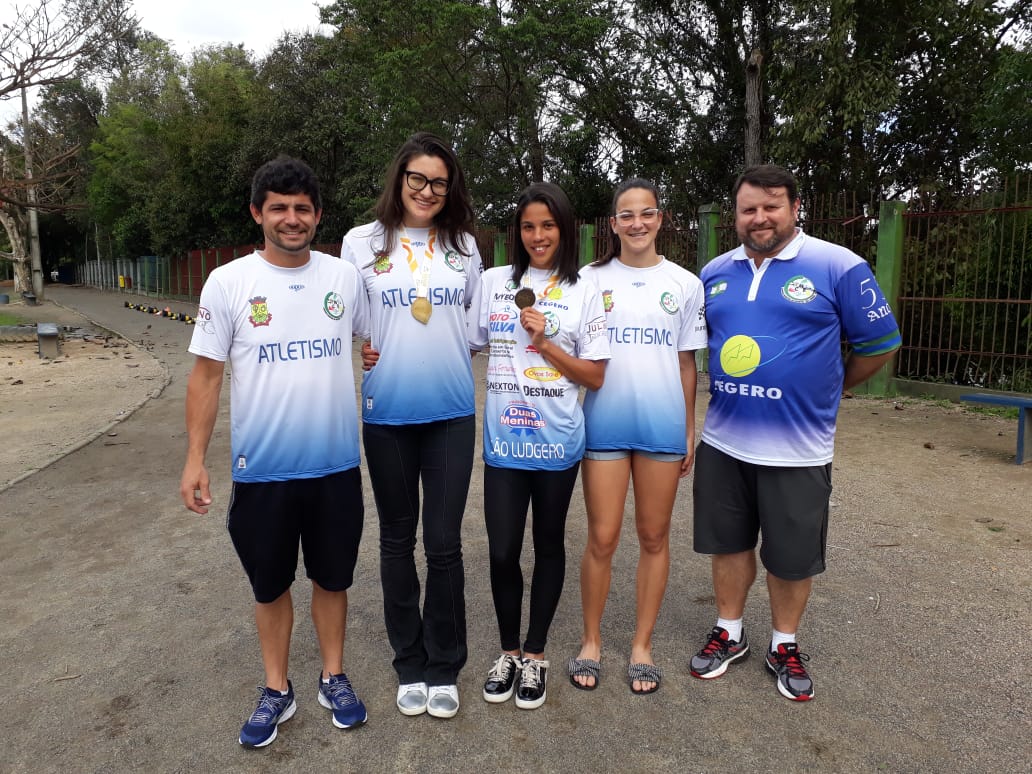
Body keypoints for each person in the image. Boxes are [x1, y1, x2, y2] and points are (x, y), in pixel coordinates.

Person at [689, 164, 902, 701]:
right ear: (736, 215)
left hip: (799, 447)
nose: (759, 218)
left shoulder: (838, 265)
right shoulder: (714, 272)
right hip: (724, 441)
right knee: (729, 544)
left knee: (790, 555)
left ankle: (784, 643)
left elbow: (880, 344)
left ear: (794, 207)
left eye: (771, 206)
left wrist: (836, 389)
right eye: (748, 209)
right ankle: (729, 632)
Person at [179, 156, 369, 748]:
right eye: (280, 208)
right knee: (271, 585)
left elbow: (366, 344)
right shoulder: (229, 283)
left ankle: (333, 675)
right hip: (262, 472)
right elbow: (206, 376)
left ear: (318, 216)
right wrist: (194, 458)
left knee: (333, 580)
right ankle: (275, 687)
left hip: (335, 465)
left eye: (303, 209)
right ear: (258, 212)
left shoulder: (344, 278)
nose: (292, 219)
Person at [341, 132, 482, 719]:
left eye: (439, 183)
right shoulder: (361, 243)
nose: (427, 191)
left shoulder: (466, 246)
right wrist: (363, 351)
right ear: (399, 179)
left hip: (451, 413)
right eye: (417, 179)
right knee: (397, 539)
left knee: (444, 544)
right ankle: (409, 661)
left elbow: (477, 327)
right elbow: (344, 317)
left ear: (451, 191)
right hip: (388, 416)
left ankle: (445, 663)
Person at [469, 182, 610, 710]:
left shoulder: (584, 289)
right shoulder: (493, 283)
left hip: (557, 444)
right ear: (517, 232)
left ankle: (536, 654)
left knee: (548, 543)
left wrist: (546, 342)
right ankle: (507, 650)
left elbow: (594, 377)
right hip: (504, 444)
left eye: (548, 225)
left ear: (565, 229)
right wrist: (382, 350)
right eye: (528, 226)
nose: (537, 236)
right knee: (503, 549)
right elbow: (464, 342)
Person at [570, 179, 707, 694]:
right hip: (604, 422)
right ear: (613, 223)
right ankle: (591, 641)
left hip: (662, 425)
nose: (636, 224)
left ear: (660, 218)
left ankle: (642, 646)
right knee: (602, 537)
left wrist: (689, 430)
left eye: (645, 213)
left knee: (653, 536)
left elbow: (686, 362)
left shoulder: (684, 284)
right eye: (626, 215)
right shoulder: (587, 279)